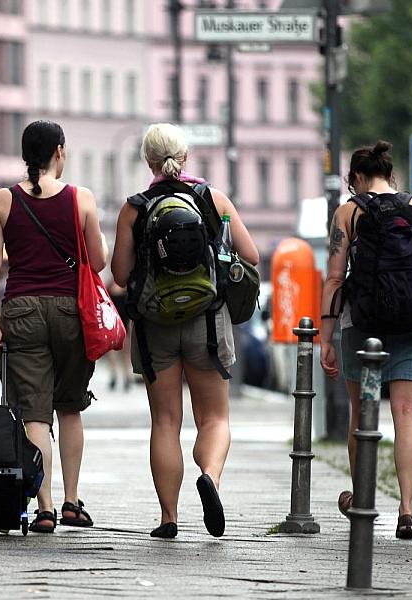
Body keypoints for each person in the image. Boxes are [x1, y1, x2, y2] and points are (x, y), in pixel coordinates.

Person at [111, 123, 259, 538]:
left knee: (165, 422)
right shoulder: (213, 199)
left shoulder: (134, 209)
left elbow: (119, 275)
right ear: (186, 156)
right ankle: (209, 476)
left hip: (155, 325)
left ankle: (169, 518)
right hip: (207, 323)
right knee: (214, 419)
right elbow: (251, 255)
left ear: (148, 161)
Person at [319, 140, 412, 540]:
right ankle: (407, 510)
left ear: (357, 177)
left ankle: (362, 498)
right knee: (406, 413)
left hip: (362, 326)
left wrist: (326, 339)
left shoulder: (348, 213)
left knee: (362, 414)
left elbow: (334, 279)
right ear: (390, 175)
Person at [0, 120, 108, 533]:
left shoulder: (2, 199)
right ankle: (72, 501)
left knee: (35, 414)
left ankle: (46, 507)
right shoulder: (80, 198)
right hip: (71, 311)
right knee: (69, 407)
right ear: (59, 152)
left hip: (21, 312)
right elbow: (99, 261)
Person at [105, 278, 132, 392]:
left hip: (118, 323)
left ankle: (120, 375)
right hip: (118, 323)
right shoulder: (113, 287)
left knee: (120, 350)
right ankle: (120, 375)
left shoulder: (110, 287)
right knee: (119, 350)